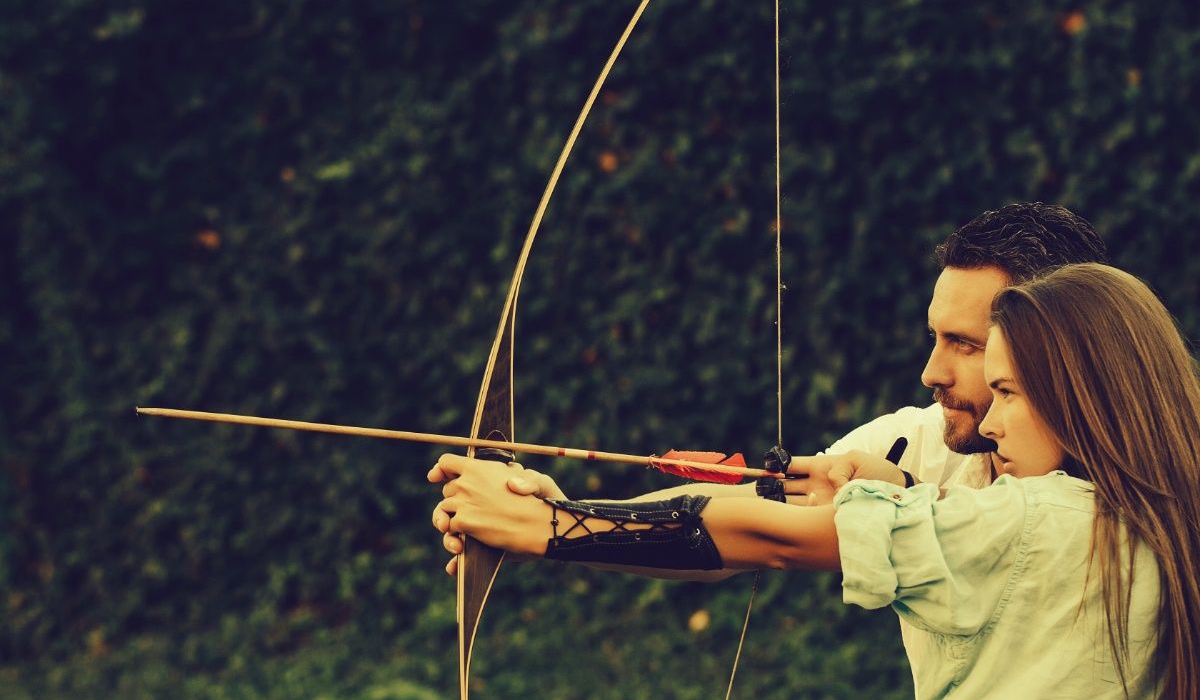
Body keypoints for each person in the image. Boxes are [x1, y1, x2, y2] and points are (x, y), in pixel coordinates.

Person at [430, 264, 1200, 700]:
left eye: (1003, 384)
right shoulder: (1165, 509)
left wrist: (548, 523)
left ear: (1079, 388)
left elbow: (766, 537)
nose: (988, 416)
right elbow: (764, 509)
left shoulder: (1038, 517)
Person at [433, 202, 1110, 577]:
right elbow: (744, 510)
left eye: (966, 346)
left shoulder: (1121, 507)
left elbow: (777, 539)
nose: (932, 372)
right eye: (936, 338)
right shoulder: (920, 441)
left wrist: (553, 528)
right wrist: (576, 507)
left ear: (1056, 348)